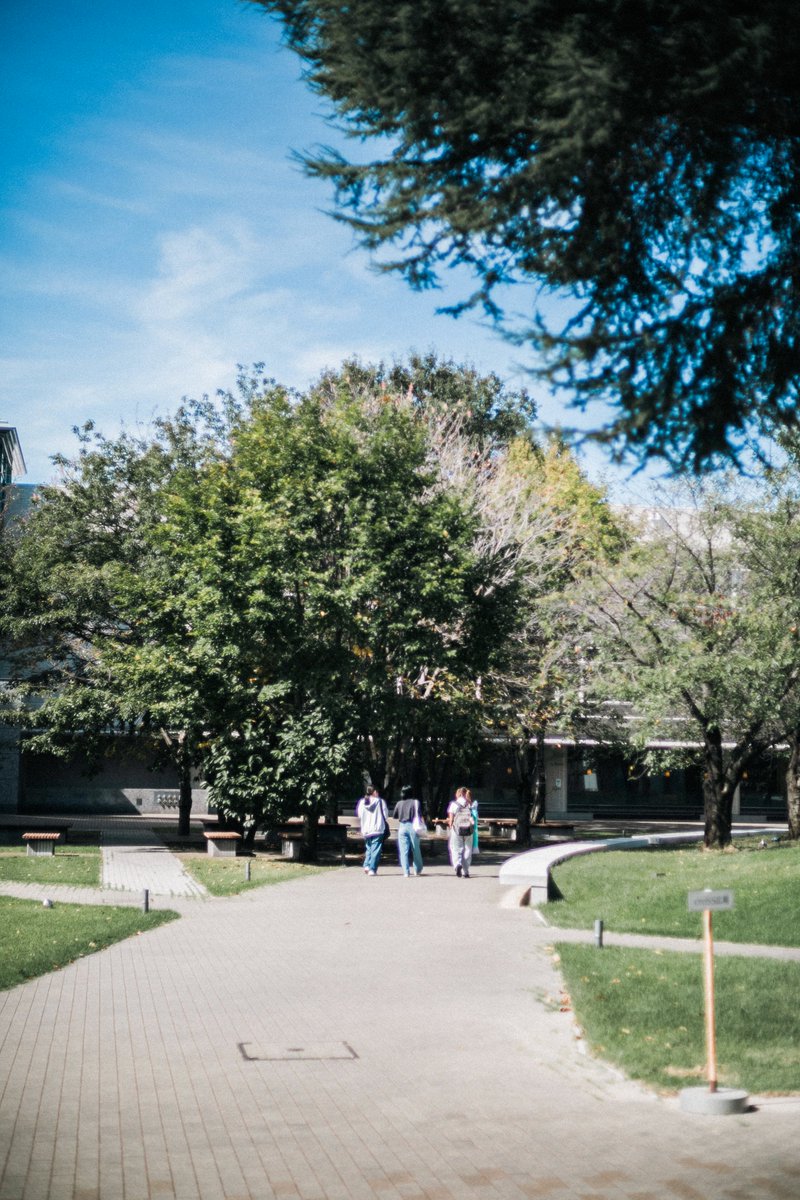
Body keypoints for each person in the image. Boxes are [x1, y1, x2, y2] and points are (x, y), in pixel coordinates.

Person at [356, 786, 389, 875]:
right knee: (376, 849)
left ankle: (366, 865)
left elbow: (359, 815)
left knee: (369, 848)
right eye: (377, 791)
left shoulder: (362, 802)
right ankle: (372, 869)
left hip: (366, 829)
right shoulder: (380, 802)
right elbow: (385, 816)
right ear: (374, 792)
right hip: (378, 828)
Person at [392, 784, 424, 876]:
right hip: (413, 826)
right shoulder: (415, 802)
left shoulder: (399, 803)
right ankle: (417, 869)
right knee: (415, 848)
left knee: (403, 850)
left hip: (402, 826)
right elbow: (419, 814)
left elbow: (395, 815)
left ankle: (406, 871)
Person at [447, 786, 475, 878]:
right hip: (469, 829)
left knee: (456, 849)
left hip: (457, 829)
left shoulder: (453, 804)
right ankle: (465, 871)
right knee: (467, 849)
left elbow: (451, 820)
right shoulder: (470, 804)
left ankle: (457, 864)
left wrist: (451, 827)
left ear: (458, 794)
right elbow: (474, 816)